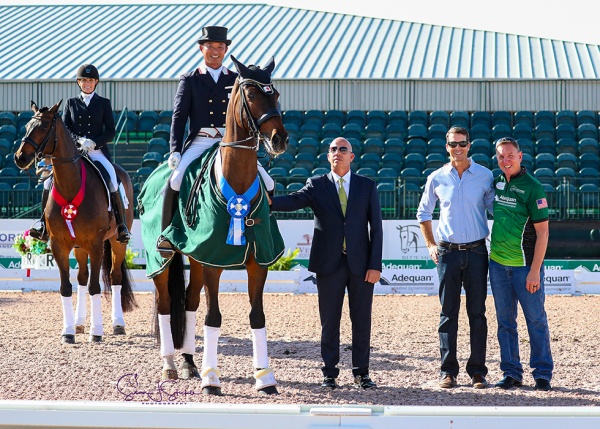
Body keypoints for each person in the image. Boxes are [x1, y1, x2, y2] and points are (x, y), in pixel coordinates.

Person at [269, 137, 383, 390]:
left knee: (361, 319)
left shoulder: (367, 186)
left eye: (343, 149)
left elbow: (376, 228)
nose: (338, 153)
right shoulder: (316, 184)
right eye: (333, 149)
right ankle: (329, 373)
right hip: (328, 264)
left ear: (352, 156)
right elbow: (295, 200)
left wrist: (375, 265)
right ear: (328, 155)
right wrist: (270, 202)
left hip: (362, 265)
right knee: (329, 321)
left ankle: (361, 373)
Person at [156, 25, 274, 258]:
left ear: (226, 49)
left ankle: (265, 233)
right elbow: (179, 117)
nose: (215, 51)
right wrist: (175, 150)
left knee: (268, 183)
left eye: (220, 47)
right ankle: (167, 235)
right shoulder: (189, 80)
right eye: (210, 46)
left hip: (229, 142)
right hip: (201, 140)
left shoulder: (237, 80)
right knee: (175, 181)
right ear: (202, 48)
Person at [416, 126, 494, 389]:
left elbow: (498, 210)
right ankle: (447, 371)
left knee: (477, 313)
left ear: (469, 145)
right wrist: (430, 244)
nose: (457, 148)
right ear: (446, 146)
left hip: (477, 252)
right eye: (453, 144)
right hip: (447, 253)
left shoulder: (485, 176)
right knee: (447, 314)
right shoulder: (436, 177)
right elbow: (423, 213)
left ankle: (478, 372)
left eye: (462, 143)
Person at [30, 64, 130, 244]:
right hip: (74, 153)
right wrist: (79, 141)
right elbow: (65, 129)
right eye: (84, 80)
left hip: (97, 152)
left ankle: (121, 225)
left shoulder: (104, 103)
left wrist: (94, 142)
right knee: (47, 182)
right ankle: (42, 224)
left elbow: (111, 131)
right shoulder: (70, 103)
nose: (87, 84)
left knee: (113, 180)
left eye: (91, 80)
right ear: (79, 82)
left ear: (96, 82)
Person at [489, 137, 553, 391]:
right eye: (501, 156)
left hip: (525, 266)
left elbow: (543, 234)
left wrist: (535, 270)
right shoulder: (496, 182)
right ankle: (511, 372)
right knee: (505, 322)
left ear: (520, 156)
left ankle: (542, 373)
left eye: (510, 155)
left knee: (535, 320)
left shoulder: (533, 187)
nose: (506, 160)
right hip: (497, 265)